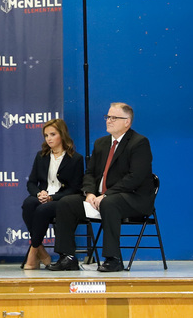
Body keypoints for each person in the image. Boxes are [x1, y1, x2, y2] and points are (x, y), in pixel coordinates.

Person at [49, 102, 155, 272]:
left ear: (127, 122)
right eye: (107, 117)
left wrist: (106, 195)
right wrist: (90, 193)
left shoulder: (139, 143)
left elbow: (135, 177)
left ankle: (113, 259)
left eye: (114, 118)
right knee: (67, 203)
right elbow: (90, 172)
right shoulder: (101, 143)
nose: (109, 121)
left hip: (134, 199)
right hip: (100, 198)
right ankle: (67, 257)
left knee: (110, 203)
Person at [21, 118, 84, 269]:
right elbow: (31, 182)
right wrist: (38, 194)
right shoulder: (41, 156)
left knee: (42, 210)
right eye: (46, 135)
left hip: (61, 199)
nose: (48, 138)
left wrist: (52, 197)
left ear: (62, 135)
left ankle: (34, 251)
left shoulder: (75, 159)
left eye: (52, 134)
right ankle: (41, 252)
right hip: (43, 196)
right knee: (28, 204)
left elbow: (75, 188)